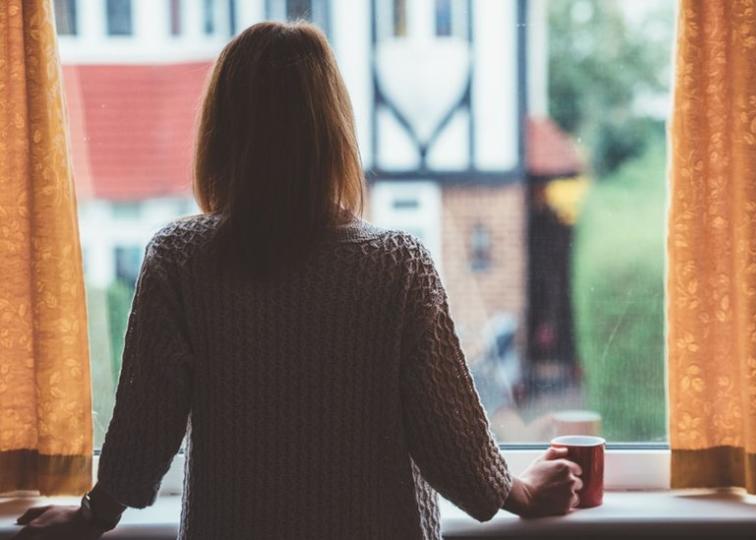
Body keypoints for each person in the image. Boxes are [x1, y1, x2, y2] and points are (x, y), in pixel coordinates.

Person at [14, 21, 582, 540]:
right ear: (334, 132)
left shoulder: (180, 260)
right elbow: (454, 442)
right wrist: (522, 493)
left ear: (220, 130)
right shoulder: (397, 266)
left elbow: (145, 427)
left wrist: (93, 516)